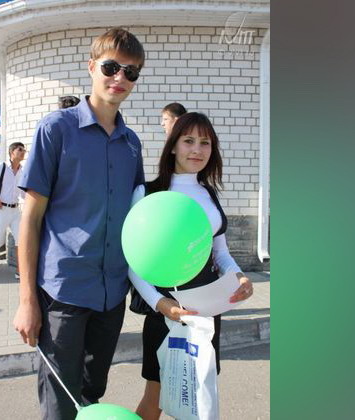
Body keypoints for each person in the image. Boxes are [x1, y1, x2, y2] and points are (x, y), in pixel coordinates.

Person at [12, 28, 146, 420]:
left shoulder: (132, 144)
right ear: (91, 67)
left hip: (111, 295)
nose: (120, 78)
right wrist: (26, 301)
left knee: (91, 397)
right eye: (111, 67)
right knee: (60, 406)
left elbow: (138, 219)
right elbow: (30, 219)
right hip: (63, 293)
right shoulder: (56, 129)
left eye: (131, 72)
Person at [128, 112, 254, 420]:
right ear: (173, 146)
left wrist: (239, 277)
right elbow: (133, 262)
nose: (197, 150)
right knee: (157, 395)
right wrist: (161, 304)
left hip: (206, 311)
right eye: (188, 141)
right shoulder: (148, 193)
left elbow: (220, 253)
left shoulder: (209, 194)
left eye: (205, 143)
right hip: (166, 309)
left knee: (199, 395)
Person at [0, 141, 26, 278]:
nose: (23, 152)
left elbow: (22, 193)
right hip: (1, 209)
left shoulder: (22, 171)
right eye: (20, 149)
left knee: (20, 240)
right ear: (12, 152)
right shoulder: (1, 167)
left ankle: (20, 272)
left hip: (16, 211)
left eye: (24, 150)